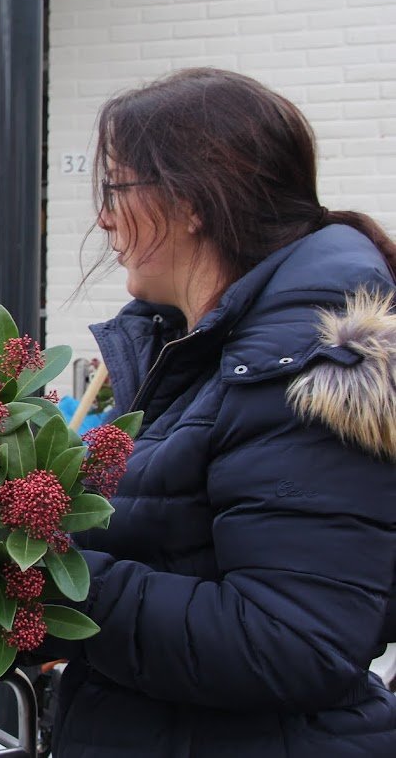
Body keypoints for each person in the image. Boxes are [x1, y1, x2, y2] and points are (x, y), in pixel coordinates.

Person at [47, 67, 396, 755]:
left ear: (191, 200)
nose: (104, 216)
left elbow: (291, 639)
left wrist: (47, 575)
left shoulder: (300, 369)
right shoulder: (211, 351)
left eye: (116, 186)